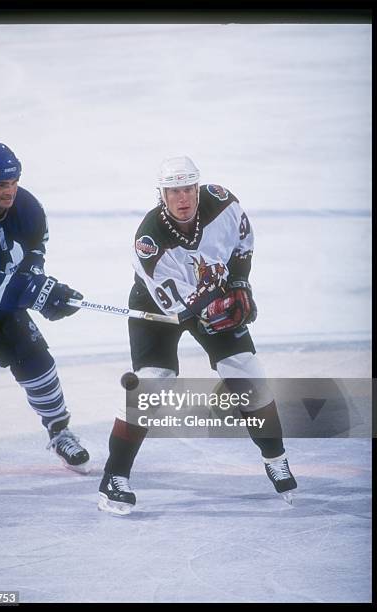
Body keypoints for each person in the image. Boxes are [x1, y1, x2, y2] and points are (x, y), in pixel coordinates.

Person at [98, 155, 297, 514]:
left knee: (246, 371)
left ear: (197, 186)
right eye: (174, 191)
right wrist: (215, 304)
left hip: (212, 294)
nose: (184, 198)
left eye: (188, 188)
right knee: (152, 382)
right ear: (162, 194)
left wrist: (238, 283)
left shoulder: (223, 202)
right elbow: (177, 307)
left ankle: (275, 456)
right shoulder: (149, 241)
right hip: (158, 309)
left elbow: (243, 245)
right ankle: (114, 477)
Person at [0, 142, 90, 473]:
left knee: (37, 359)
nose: (9, 190)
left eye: (13, 182)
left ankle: (60, 431)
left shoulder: (27, 207)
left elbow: (34, 252)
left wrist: (40, 285)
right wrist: (34, 293)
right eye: (0, 184)